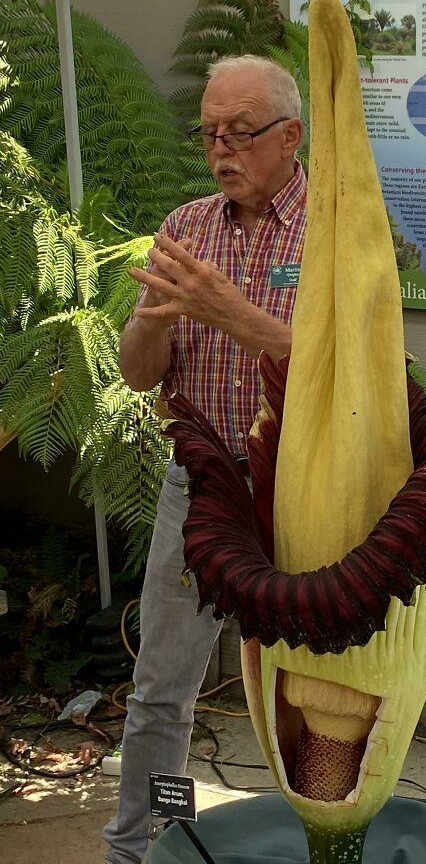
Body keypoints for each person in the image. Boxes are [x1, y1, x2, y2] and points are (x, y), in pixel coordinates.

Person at [103, 55, 305, 864]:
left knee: (311, 693)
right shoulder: (184, 228)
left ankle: (322, 839)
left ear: (290, 137)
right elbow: (137, 372)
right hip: (197, 490)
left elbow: (351, 364)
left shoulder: (340, 225)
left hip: (299, 495)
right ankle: (138, 847)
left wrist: (235, 313)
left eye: (241, 133)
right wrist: (152, 320)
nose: (222, 149)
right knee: (161, 689)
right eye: (210, 133)